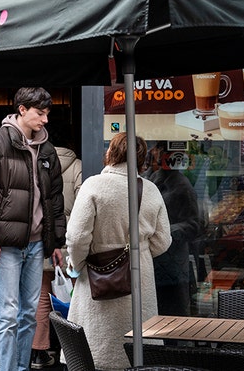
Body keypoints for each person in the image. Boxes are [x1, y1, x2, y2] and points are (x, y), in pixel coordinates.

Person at [0, 87, 66, 371]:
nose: (45, 120)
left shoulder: (47, 150)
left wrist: (56, 243)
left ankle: (21, 368)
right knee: (7, 316)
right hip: (6, 245)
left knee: (28, 316)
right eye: (40, 113)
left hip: (36, 246)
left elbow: (55, 199)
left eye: (47, 114)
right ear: (22, 109)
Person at [64, 133, 171, 370]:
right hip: (139, 276)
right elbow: (163, 240)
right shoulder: (151, 189)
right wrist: (137, 253)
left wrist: (77, 264)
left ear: (110, 153)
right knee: (136, 350)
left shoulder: (93, 185)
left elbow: (77, 237)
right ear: (142, 159)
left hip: (96, 273)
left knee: (95, 351)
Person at [31, 129, 81, 369]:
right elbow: (82, 206)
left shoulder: (38, 162)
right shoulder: (78, 165)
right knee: (73, 298)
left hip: (42, 240)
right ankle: (71, 351)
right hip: (67, 241)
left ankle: (40, 352)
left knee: (41, 299)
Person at [144, 141, 203, 317]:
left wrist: (165, 232)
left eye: (157, 149)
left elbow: (194, 225)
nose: (153, 152)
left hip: (172, 265)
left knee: (172, 316)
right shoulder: (146, 180)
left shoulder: (182, 186)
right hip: (150, 262)